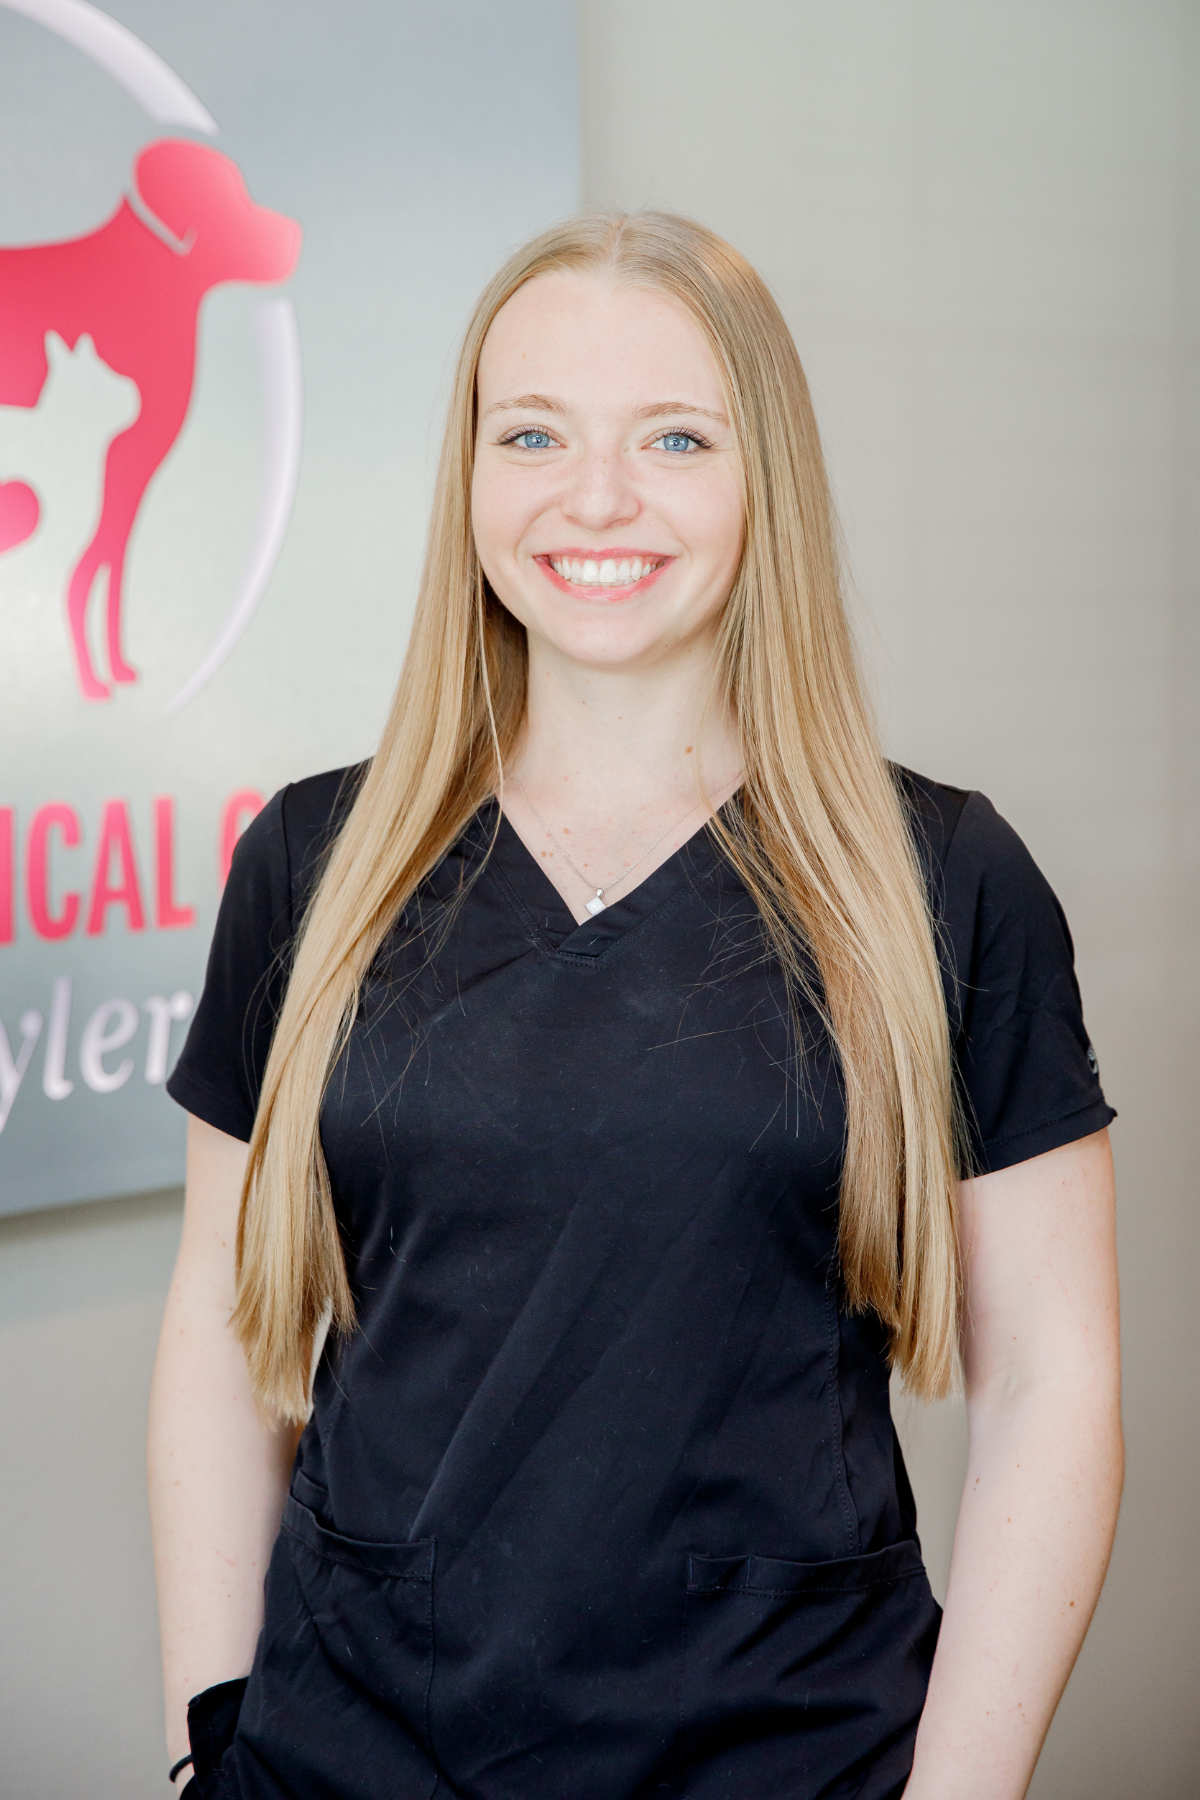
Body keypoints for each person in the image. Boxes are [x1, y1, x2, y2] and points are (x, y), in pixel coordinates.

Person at [148, 211, 1122, 1800]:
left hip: (790, 1754)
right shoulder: (313, 862)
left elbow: (1051, 1382)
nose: (594, 499)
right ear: (470, 473)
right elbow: (217, 1319)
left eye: (675, 436)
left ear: (766, 483)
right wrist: (209, 1734)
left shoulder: (939, 876)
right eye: (533, 433)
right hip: (348, 1751)